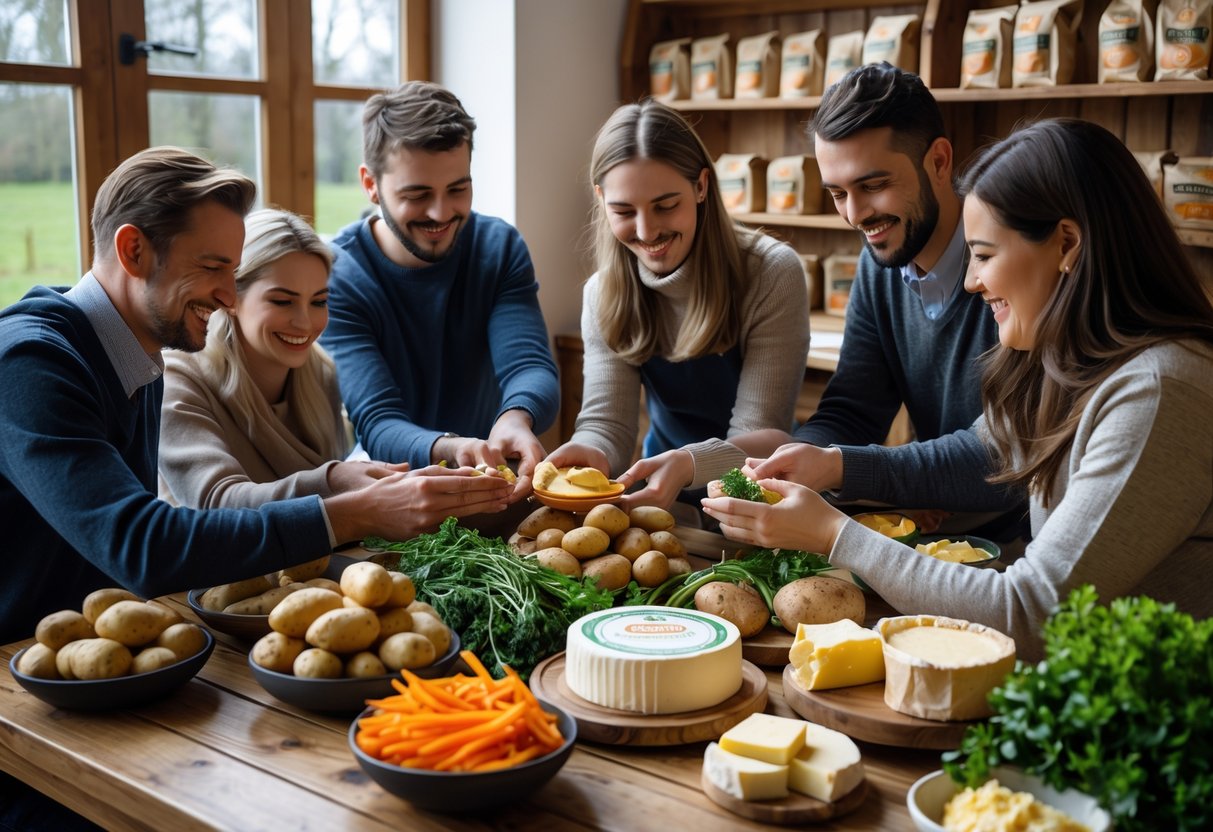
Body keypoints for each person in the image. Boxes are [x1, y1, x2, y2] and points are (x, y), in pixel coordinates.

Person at [702, 118, 1213, 660]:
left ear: (1067, 243)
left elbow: (1031, 613)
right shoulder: (1062, 360)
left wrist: (834, 533)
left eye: (986, 255)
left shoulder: (1160, 390)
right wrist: (835, 465)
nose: (971, 280)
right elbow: (986, 452)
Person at [0, 146, 513, 647]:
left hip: (97, 654)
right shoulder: (30, 364)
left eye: (235, 271)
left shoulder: (139, 350)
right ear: (133, 250)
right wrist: (354, 511)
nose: (228, 295)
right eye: (212, 267)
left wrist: (348, 487)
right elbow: (142, 546)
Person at [731, 62, 1025, 538]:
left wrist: (839, 467)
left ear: (940, 161)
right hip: (933, 533)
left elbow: (1006, 459)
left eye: (872, 186)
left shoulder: (1014, 265)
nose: (855, 215)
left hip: (1017, 539)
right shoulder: (879, 262)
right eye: (837, 193)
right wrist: (792, 465)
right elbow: (854, 409)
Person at [544, 99, 810, 512]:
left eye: (666, 205)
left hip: (757, 489)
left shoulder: (771, 272)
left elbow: (761, 433)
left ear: (701, 186)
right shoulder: (603, 292)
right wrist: (588, 453)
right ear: (600, 199)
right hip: (661, 493)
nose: (647, 231)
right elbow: (607, 425)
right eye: (624, 211)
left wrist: (689, 465)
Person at [158, 207, 500, 508]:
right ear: (231, 297)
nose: (305, 323)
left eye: (319, 301)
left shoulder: (321, 375)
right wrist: (336, 480)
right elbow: (217, 504)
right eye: (282, 301)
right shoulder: (177, 381)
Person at [321, 81, 559, 500]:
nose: (440, 213)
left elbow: (529, 365)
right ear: (370, 184)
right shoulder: (337, 274)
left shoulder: (498, 248)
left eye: (457, 189)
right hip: (394, 488)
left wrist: (516, 417)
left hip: (491, 486)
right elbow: (376, 420)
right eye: (417, 195)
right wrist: (451, 447)